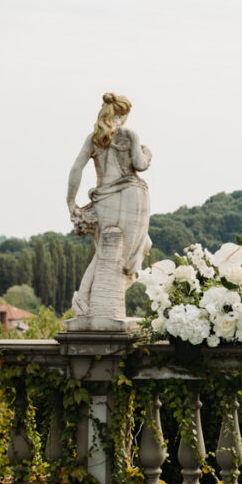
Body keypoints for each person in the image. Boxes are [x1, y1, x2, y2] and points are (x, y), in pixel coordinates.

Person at [67, 92, 153, 319]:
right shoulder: (128, 134)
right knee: (129, 248)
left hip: (105, 197)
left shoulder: (94, 137)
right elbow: (140, 164)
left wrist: (71, 201)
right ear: (123, 114)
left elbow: (76, 169)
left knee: (109, 250)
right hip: (131, 194)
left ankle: (84, 298)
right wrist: (147, 153)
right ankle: (87, 299)